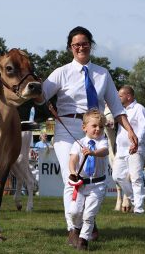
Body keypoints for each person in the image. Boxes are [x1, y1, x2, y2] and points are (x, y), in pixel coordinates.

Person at [35, 26, 138, 242]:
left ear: (91, 44)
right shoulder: (61, 73)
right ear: (70, 48)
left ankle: (87, 221)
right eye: (76, 44)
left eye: (84, 43)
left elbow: (117, 107)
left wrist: (129, 131)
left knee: (92, 178)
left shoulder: (103, 73)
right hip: (67, 128)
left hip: (96, 131)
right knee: (71, 177)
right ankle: (73, 229)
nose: (81, 47)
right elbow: (39, 95)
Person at [67, 109, 109, 250]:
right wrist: (73, 172)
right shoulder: (78, 143)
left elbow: (104, 152)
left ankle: (83, 240)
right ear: (84, 127)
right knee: (74, 212)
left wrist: (93, 152)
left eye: (101, 127)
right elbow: (72, 160)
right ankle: (76, 228)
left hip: (97, 185)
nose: (98, 129)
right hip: (81, 185)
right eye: (94, 126)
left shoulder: (103, 142)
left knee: (89, 214)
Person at [112, 85, 145, 214]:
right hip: (121, 149)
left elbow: (143, 127)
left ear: (128, 96)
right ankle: (134, 199)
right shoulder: (120, 110)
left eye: (120, 96)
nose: (118, 98)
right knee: (116, 176)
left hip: (135, 148)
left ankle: (139, 209)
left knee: (136, 178)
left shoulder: (139, 109)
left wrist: (137, 142)